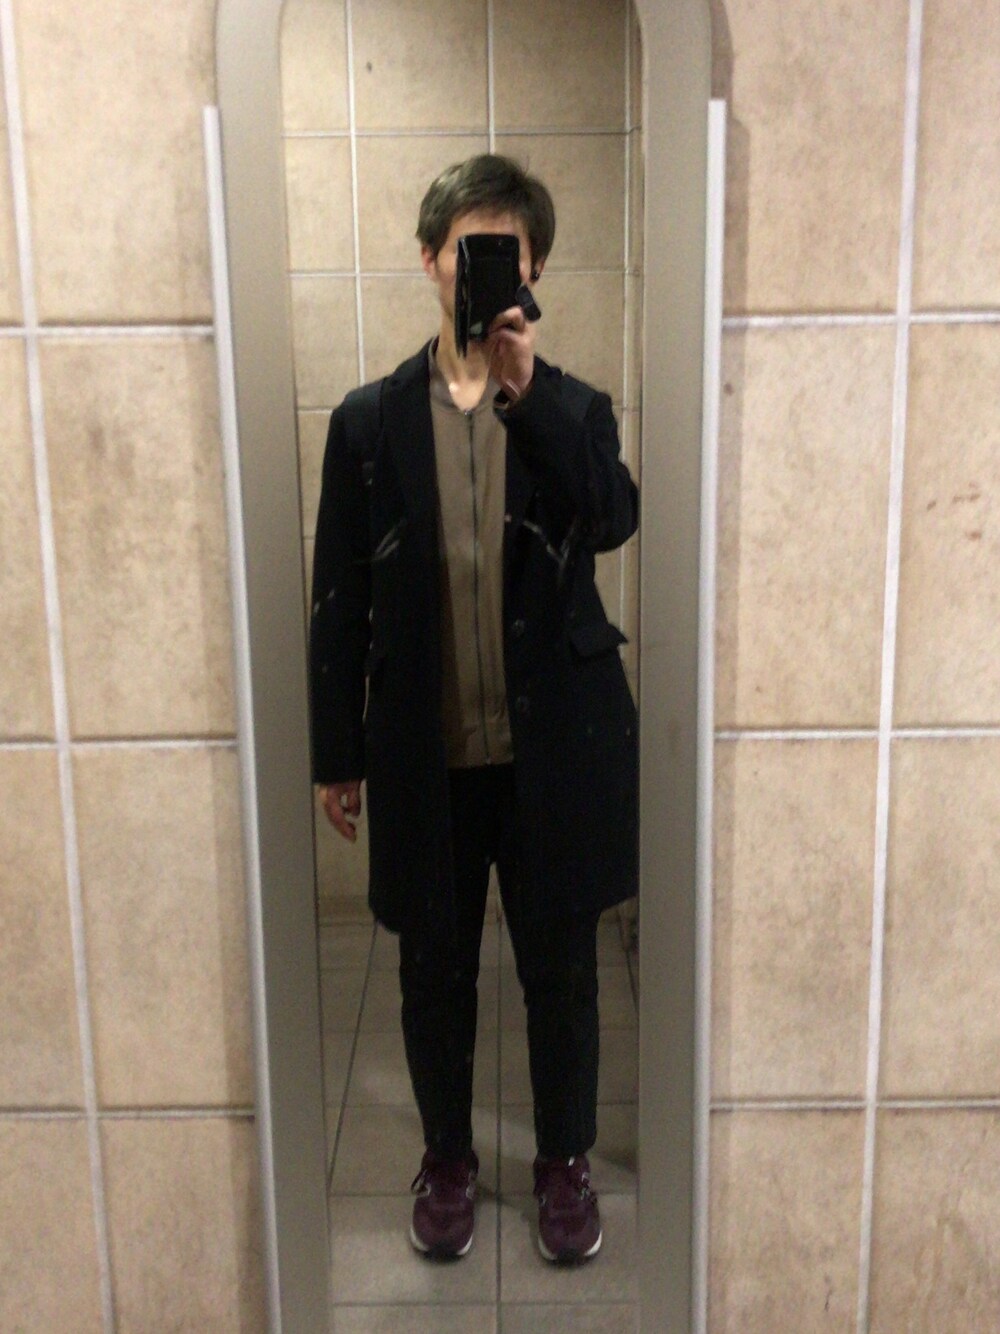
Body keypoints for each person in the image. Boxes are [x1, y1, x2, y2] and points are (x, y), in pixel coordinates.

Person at [309, 154, 638, 1265]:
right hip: (425, 754)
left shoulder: (572, 408)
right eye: (467, 248)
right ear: (430, 259)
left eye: (509, 252)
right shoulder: (366, 425)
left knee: (562, 972)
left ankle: (564, 1161)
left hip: (554, 753)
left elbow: (611, 518)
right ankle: (447, 1156)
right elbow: (339, 595)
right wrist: (335, 752)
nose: (485, 268)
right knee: (431, 971)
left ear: (532, 271)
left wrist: (528, 393)